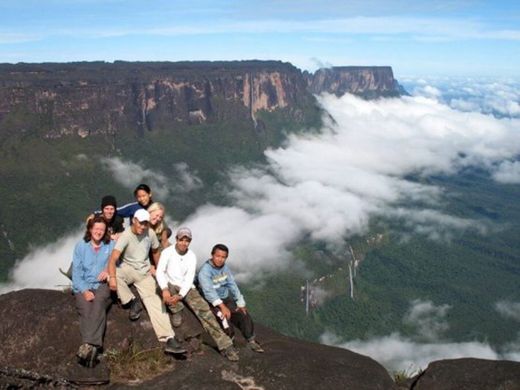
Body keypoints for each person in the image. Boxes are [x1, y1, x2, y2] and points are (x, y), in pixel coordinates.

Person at [107, 209, 185, 354]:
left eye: (145, 224)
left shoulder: (149, 233)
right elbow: (113, 259)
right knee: (112, 275)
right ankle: (131, 301)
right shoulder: (126, 236)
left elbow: (155, 251)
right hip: (128, 269)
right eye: (141, 223)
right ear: (134, 220)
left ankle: (169, 338)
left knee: (156, 303)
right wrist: (112, 278)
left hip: (144, 272)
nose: (143, 227)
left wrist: (160, 271)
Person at [156, 227, 239, 361]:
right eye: (181, 240)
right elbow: (160, 272)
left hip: (186, 287)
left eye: (187, 240)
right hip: (169, 284)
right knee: (160, 287)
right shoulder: (167, 252)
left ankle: (226, 346)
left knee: (205, 311)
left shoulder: (191, 256)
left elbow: (189, 279)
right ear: (176, 239)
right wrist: (165, 289)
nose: (184, 243)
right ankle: (176, 309)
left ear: (190, 242)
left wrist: (181, 295)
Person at [198, 244, 264, 353]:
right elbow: (209, 292)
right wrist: (222, 307)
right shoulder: (205, 271)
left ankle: (251, 340)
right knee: (224, 320)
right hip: (212, 302)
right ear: (212, 255)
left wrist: (240, 302)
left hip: (225, 298)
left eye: (223, 257)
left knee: (243, 314)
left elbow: (232, 284)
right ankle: (229, 343)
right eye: (217, 256)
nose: (220, 259)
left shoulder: (225, 268)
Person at [72, 216, 115, 367]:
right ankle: (93, 348)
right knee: (86, 308)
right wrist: (84, 290)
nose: (99, 232)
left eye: (102, 229)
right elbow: (76, 273)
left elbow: (119, 263)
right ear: (90, 229)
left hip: (103, 285)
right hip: (83, 284)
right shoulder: (81, 246)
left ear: (105, 231)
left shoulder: (110, 245)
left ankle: (88, 345)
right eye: (96, 228)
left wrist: (108, 271)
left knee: (99, 303)